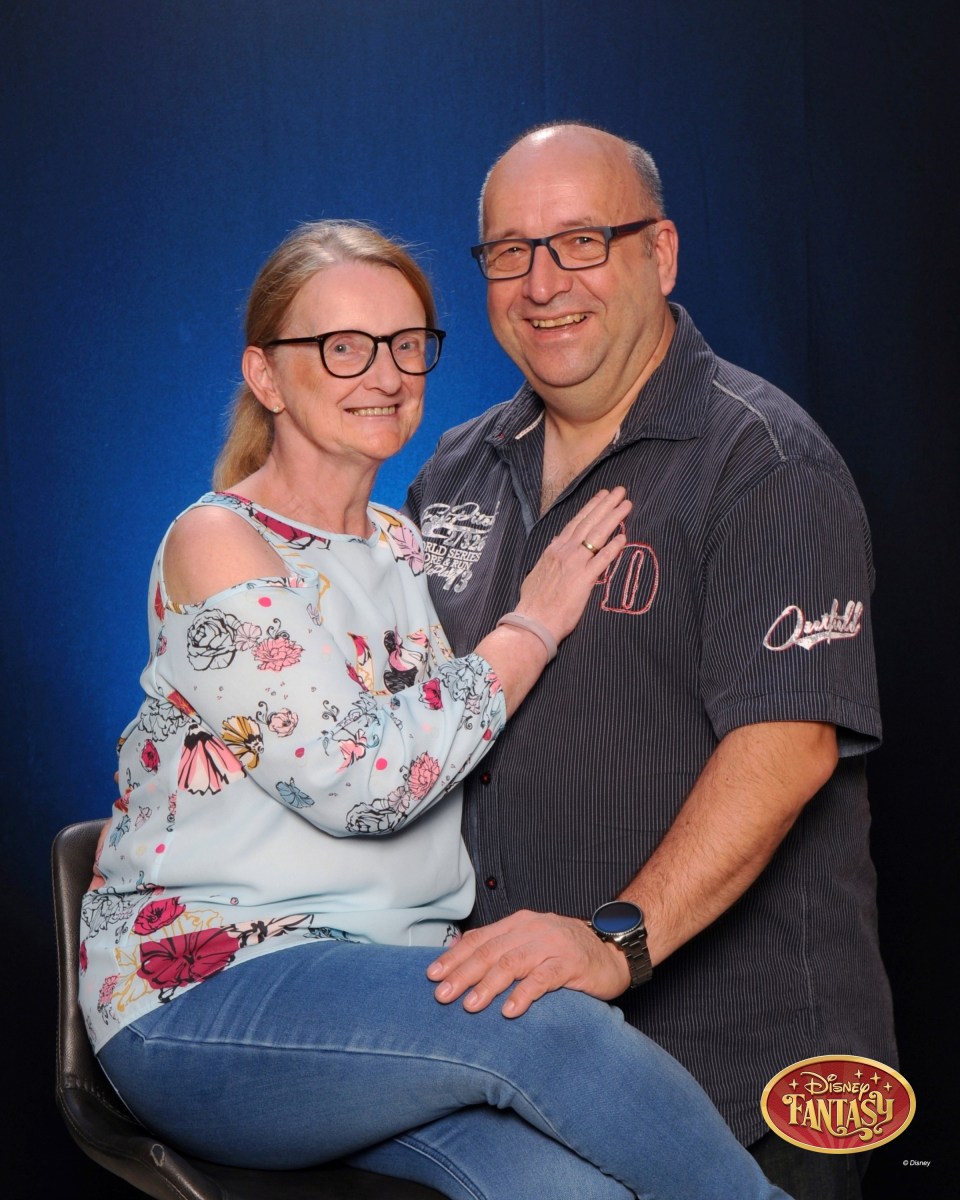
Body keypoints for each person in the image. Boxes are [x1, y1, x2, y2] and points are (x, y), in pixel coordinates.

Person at [79, 220, 792, 1200]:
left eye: (406, 344)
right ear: (265, 375)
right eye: (343, 346)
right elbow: (363, 782)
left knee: (573, 1194)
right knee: (552, 1025)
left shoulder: (400, 543)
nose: (384, 373)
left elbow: (455, 746)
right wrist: (532, 624)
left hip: (385, 999)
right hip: (204, 999)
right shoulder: (217, 541)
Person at [406, 123, 897, 1200]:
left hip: (748, 1075)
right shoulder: (453, 472)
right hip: (525, 1077)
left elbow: (787, 748)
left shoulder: (766, 463)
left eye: (582, 241)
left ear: (660, 255)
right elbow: (408, 729)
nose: (543, 284)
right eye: (510, 252)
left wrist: (614, 942)